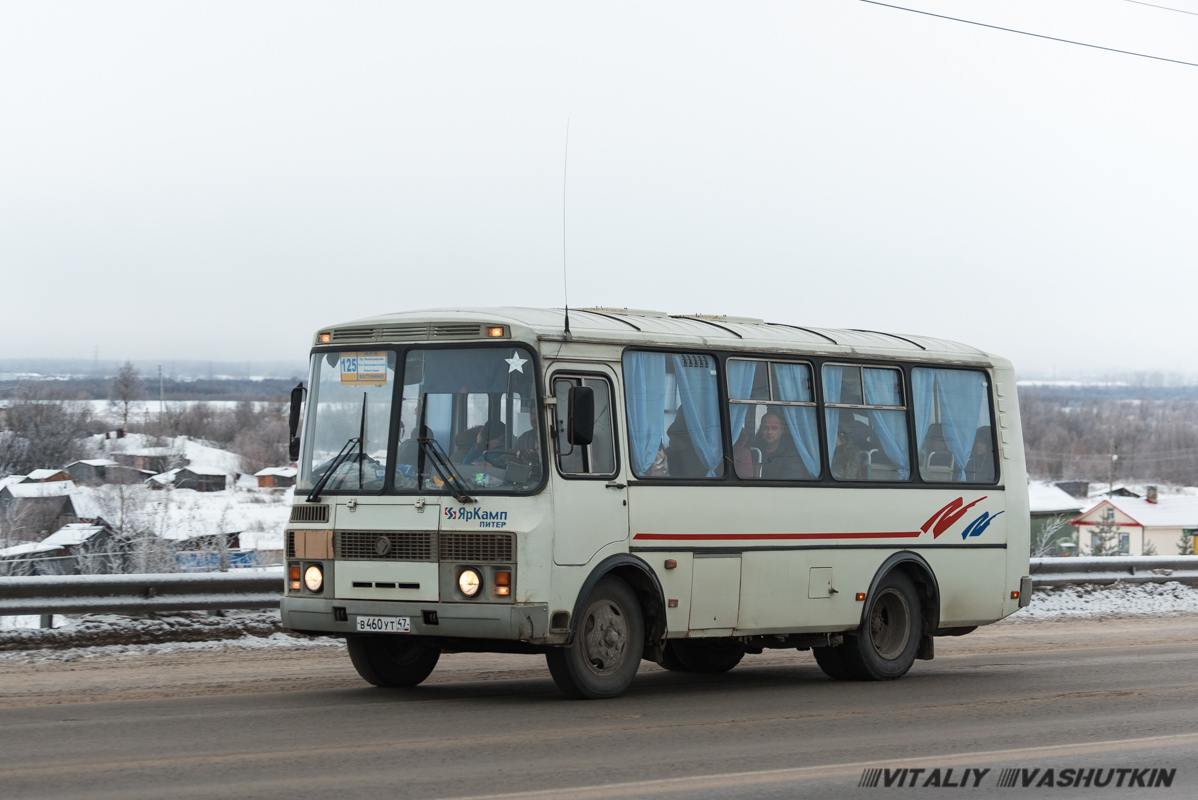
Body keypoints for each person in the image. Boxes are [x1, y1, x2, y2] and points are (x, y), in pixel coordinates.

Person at [755, 411, 807, 479]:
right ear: (761, 429)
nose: (769, 432)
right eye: (765, 428)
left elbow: (791, 482)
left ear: (782, 430)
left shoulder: (791, 455)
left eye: (774, 428)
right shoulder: (754, 452)